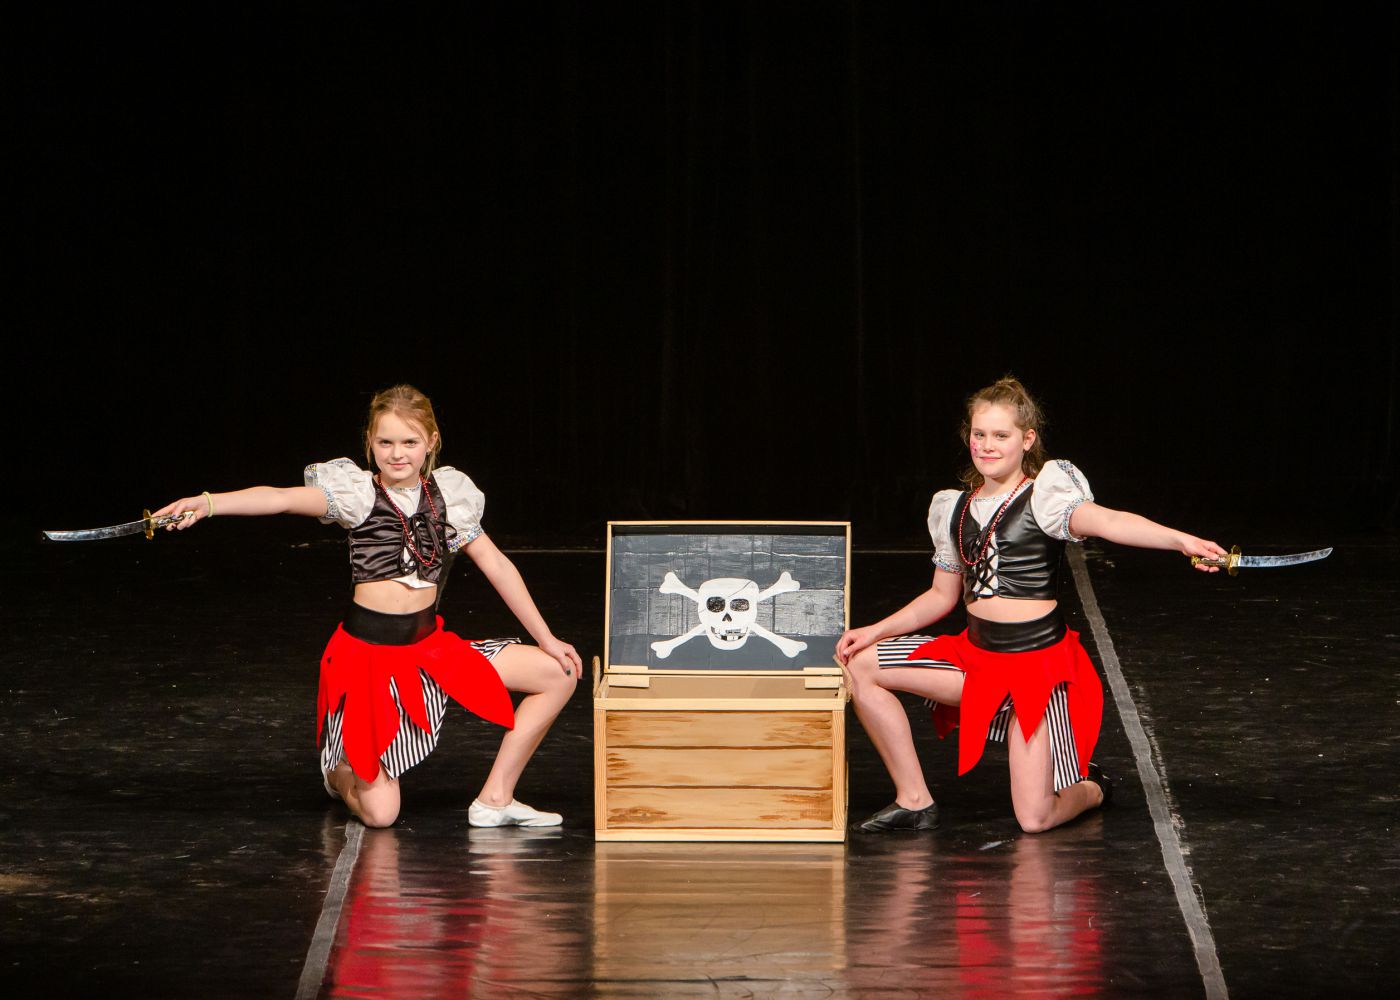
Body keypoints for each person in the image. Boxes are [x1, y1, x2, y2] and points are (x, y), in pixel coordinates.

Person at [154, 384, 580, 829]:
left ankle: (495, 798)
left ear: (431, 442)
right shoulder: (357, 494)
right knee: (381, 815)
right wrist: (207, 504)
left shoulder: (450, 497)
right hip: (368, 661)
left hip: (429, 651)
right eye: (385, 442)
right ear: (370, 443)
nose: (397, 454)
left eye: (410, 442)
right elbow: (280, 498)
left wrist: (547, 638)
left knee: (560, 673)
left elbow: (497, 565)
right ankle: (338, 773)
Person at [836, 376, 1227, 834]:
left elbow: (1111, 522)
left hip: (1035, 669)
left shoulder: (1046, 496)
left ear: (1027, 440)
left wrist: (1181, 541)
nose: (987, 446)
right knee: (860, 664)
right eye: (979, 434)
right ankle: (914, 800)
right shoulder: (953, 509)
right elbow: (941, 597)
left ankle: (1093, 786)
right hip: (975, 661)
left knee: (1034, 819)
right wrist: (875, 630)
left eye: (1001, 435)